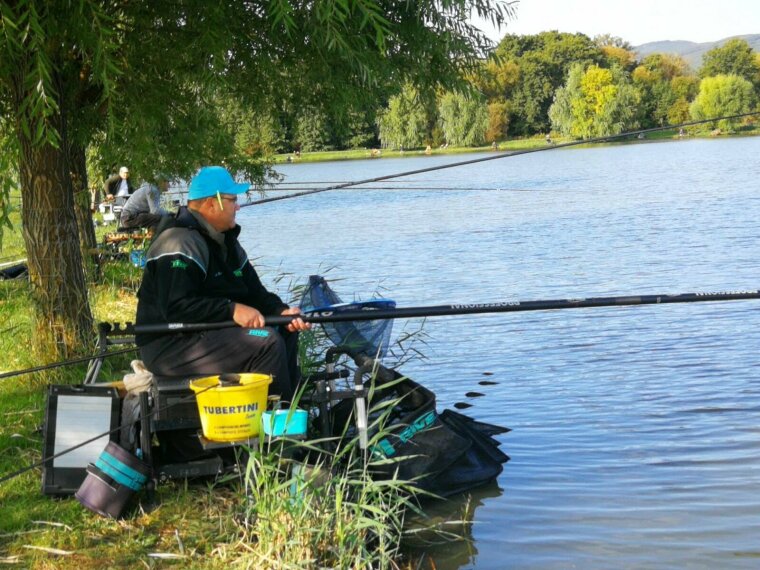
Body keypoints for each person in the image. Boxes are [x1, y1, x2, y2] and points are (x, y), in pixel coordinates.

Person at [135, 166, 309, 401]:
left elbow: (255, 293)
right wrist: (232, 310)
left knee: (284, 329)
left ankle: (292, 408)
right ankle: (275, 422)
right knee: (266, 342)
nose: (238, 207)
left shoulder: (227, 243)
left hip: (207, 334)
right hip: (169, 344)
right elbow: (176, 307)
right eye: (233, 200)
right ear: (211, 203)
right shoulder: (179, 241)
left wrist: (281, 311)